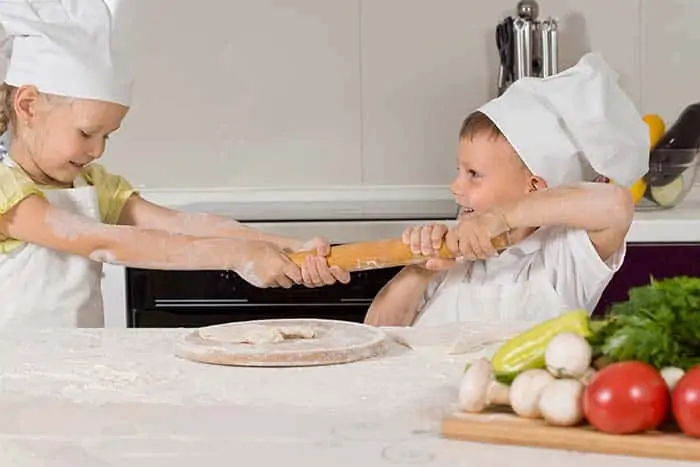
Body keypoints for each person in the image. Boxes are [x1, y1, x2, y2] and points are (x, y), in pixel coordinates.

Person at [0, 1, 349, 328]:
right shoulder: (6, 188)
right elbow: (103, 241)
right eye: (88, 132)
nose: (97, 150)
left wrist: (286, 246)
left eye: (108, 135)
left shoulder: (90, 185)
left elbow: (182, 225)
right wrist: (238, 255)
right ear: (28, 106)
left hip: (73, 366)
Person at [365, 52, 649, 327]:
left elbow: (616, 206)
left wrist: (502, 217)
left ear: (535, 188)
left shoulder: (563, 258)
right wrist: (418, 268)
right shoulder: (449, 252)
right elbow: (377, 331)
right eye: (459, 171)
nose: (455, 187)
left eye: (474, 174)